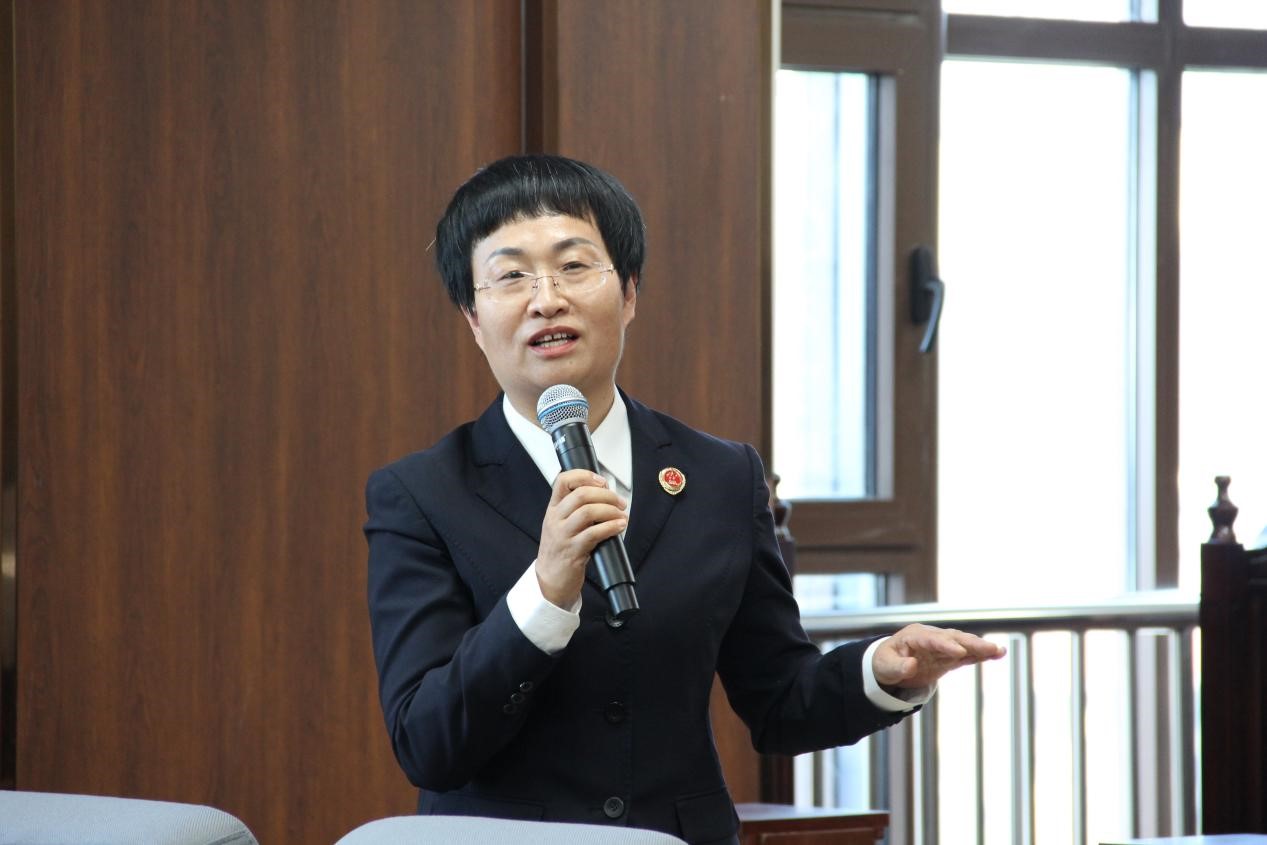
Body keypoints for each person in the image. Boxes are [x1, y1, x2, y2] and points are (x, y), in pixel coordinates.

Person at [364, 154, 1004, 845]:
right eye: (511, 275)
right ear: (472, 316)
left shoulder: (720, 474)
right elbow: (427, 742)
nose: (546, 298)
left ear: (628, 293)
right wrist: (544, 594)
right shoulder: (422, 494)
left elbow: (780, 699)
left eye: (574, 265)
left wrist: (881, 672)